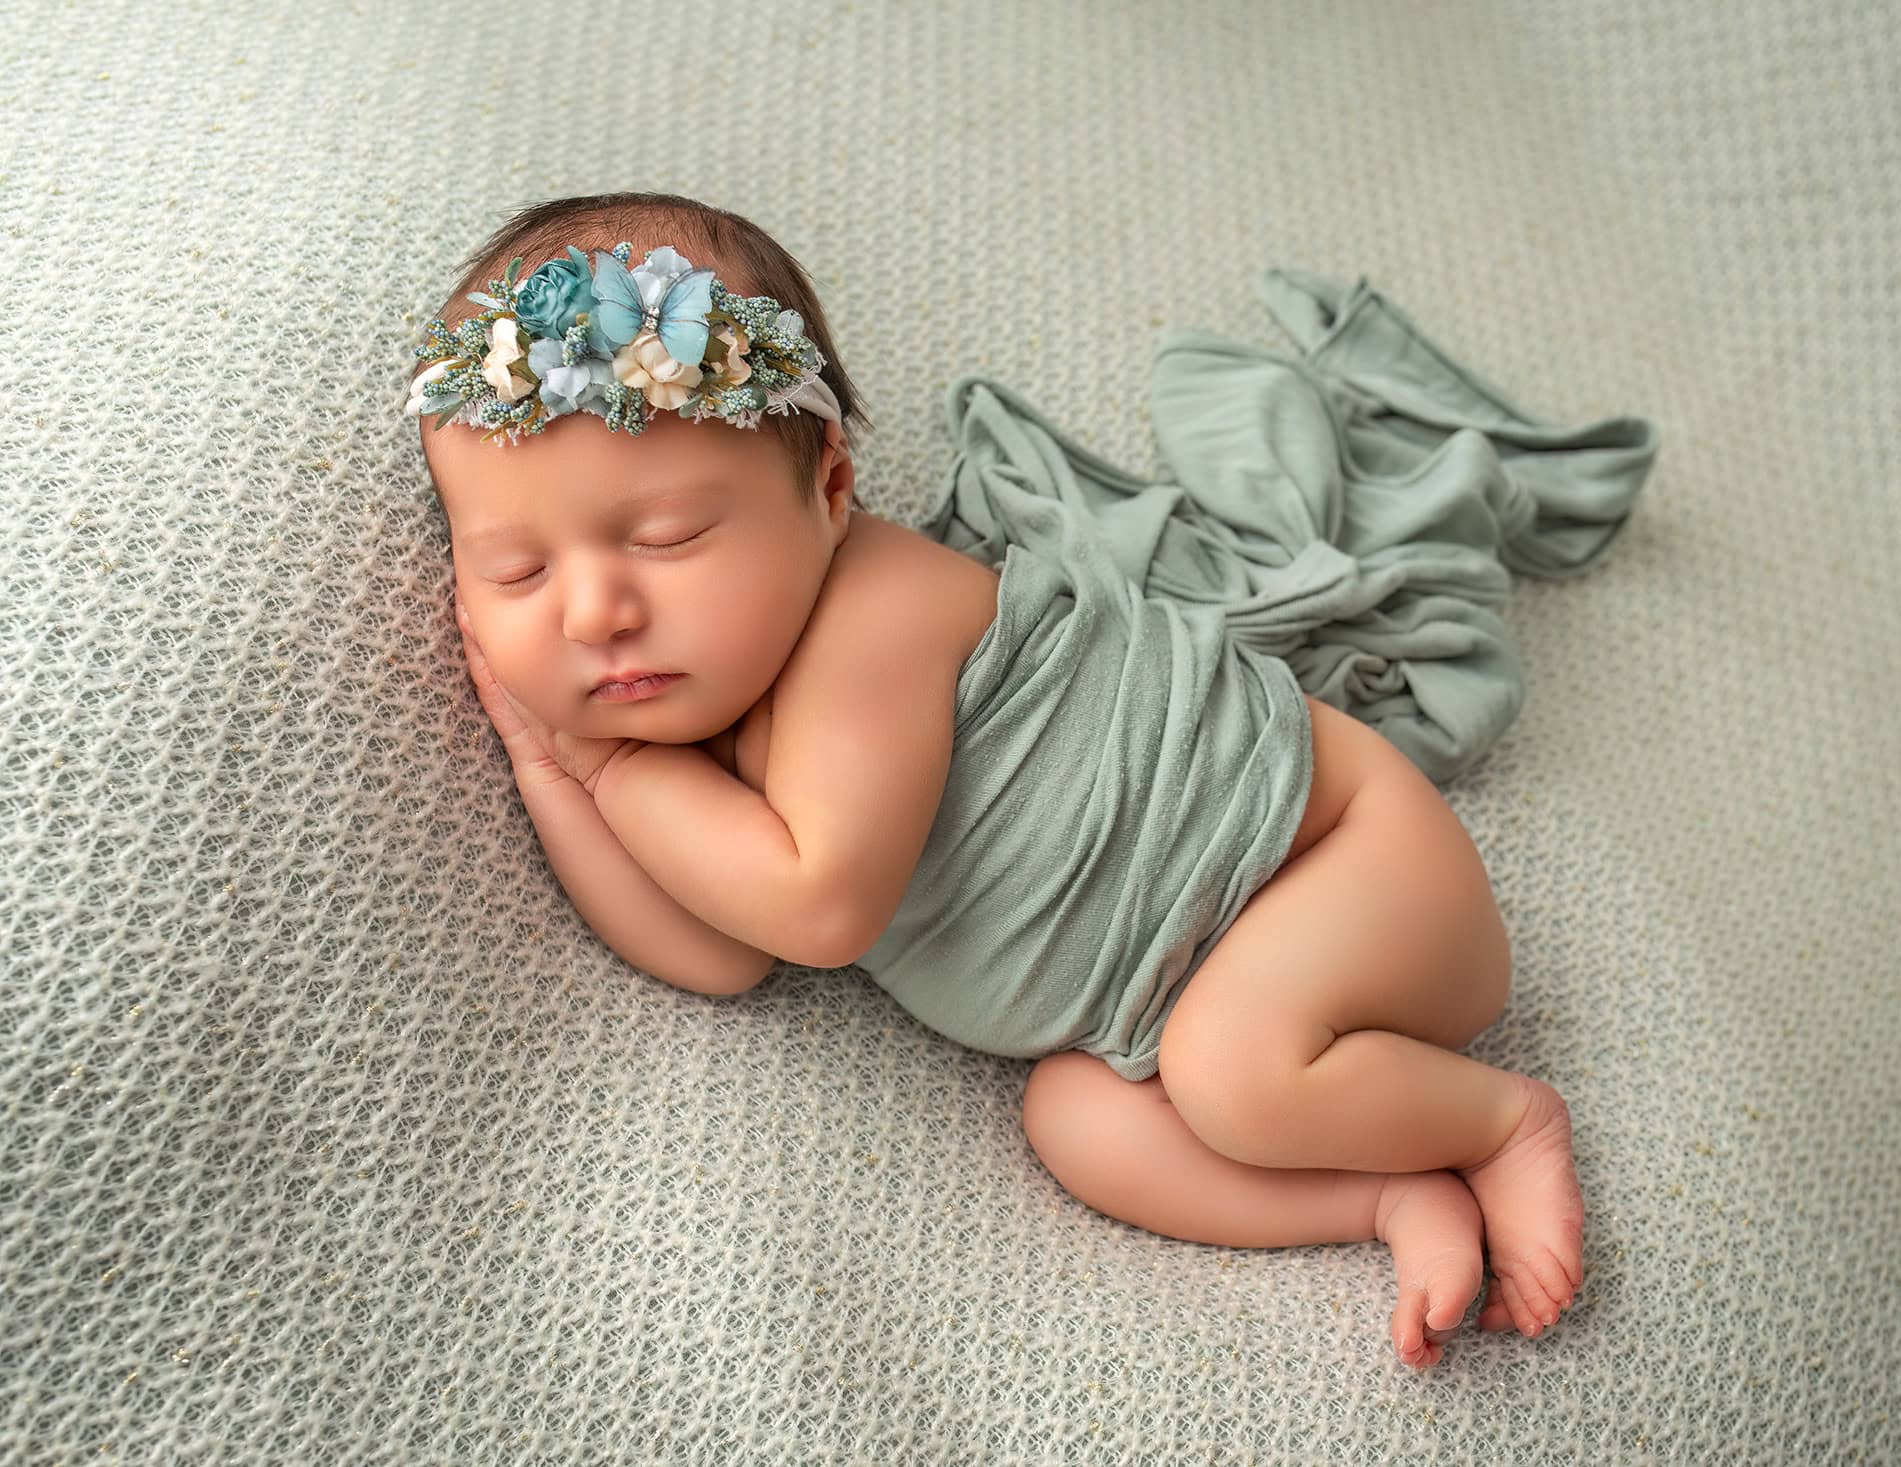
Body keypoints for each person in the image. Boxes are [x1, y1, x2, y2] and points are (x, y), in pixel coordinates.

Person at [411, 190, 1584, 1371]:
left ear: (826, 490)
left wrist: (610, 775)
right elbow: (718, 953)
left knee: (1234, 1068)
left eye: (664, 539)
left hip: (1346, 862)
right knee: (1079, 1127)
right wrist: (550, 768)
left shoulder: (875, 613)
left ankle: (1502, 1121)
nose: (596, 611)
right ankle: (1383, 1193)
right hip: (1168, 1011)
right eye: (514, 572)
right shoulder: (675, 731)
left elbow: (816, 909)